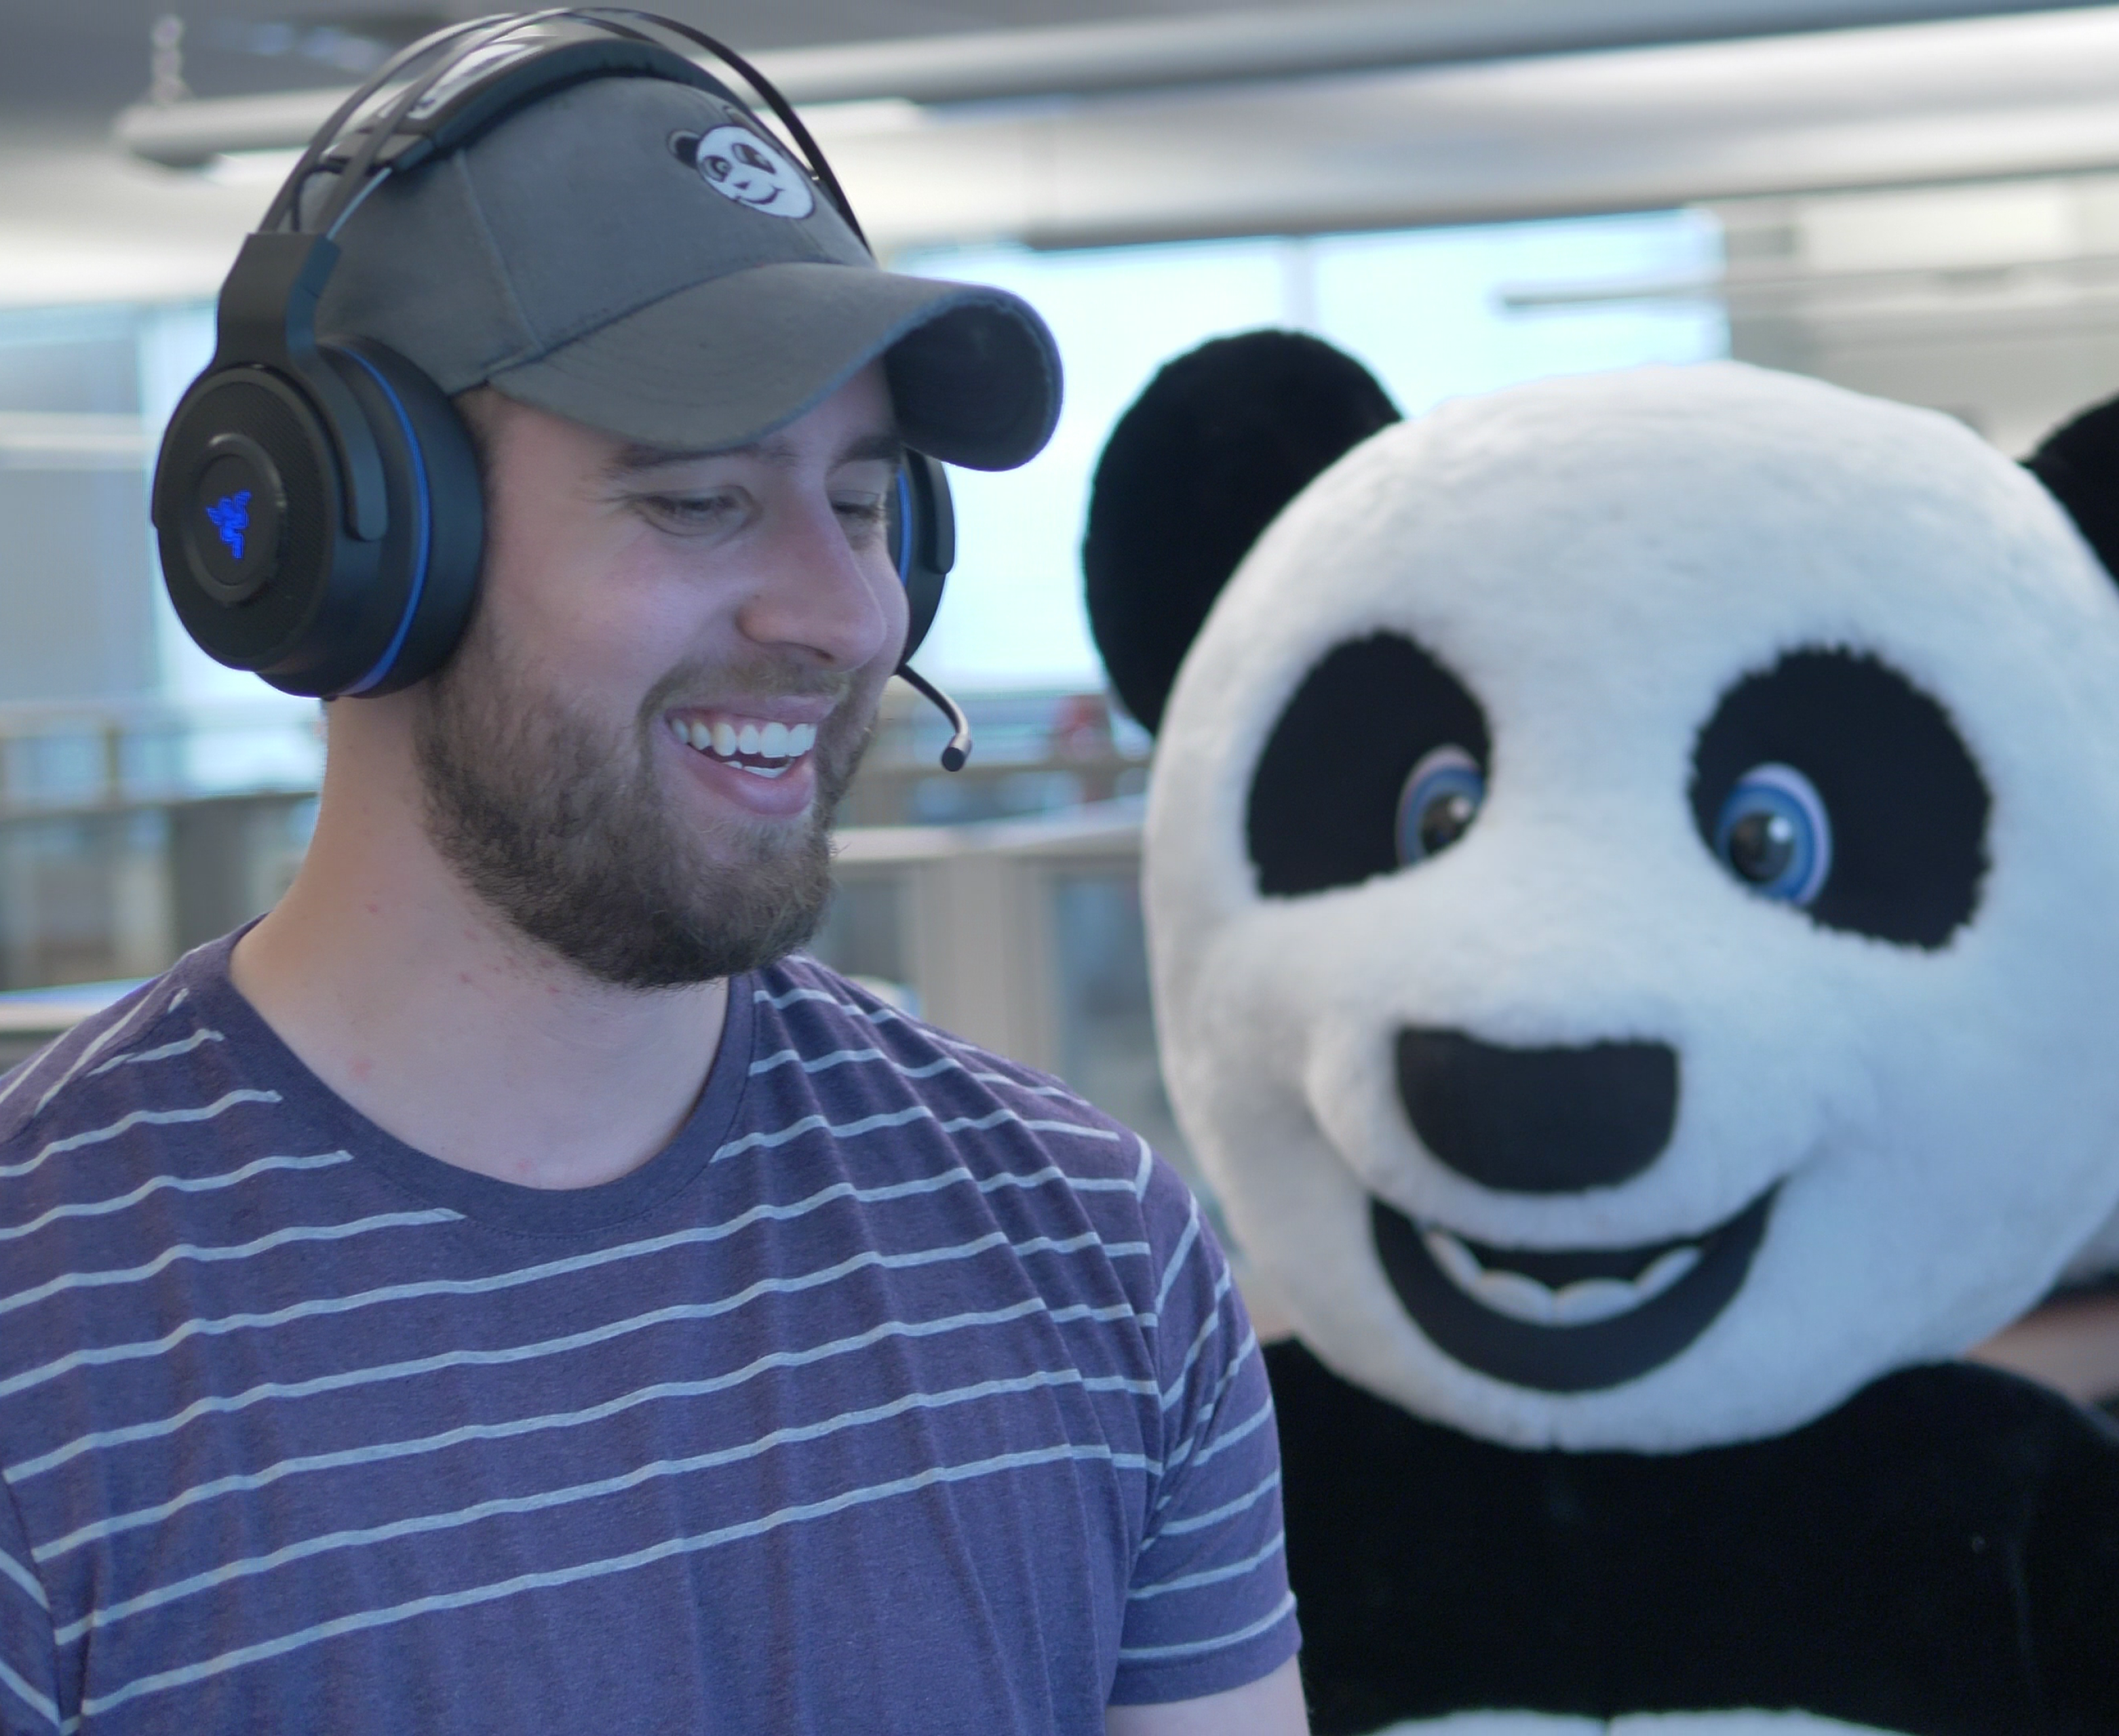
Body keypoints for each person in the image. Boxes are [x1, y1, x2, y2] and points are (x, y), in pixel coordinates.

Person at [0, 22, 1304, 1736]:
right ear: (361, 540)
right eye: (697, 501)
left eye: (863, 502)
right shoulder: (44, 1334)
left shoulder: (1092, 1247)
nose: (842, 612)